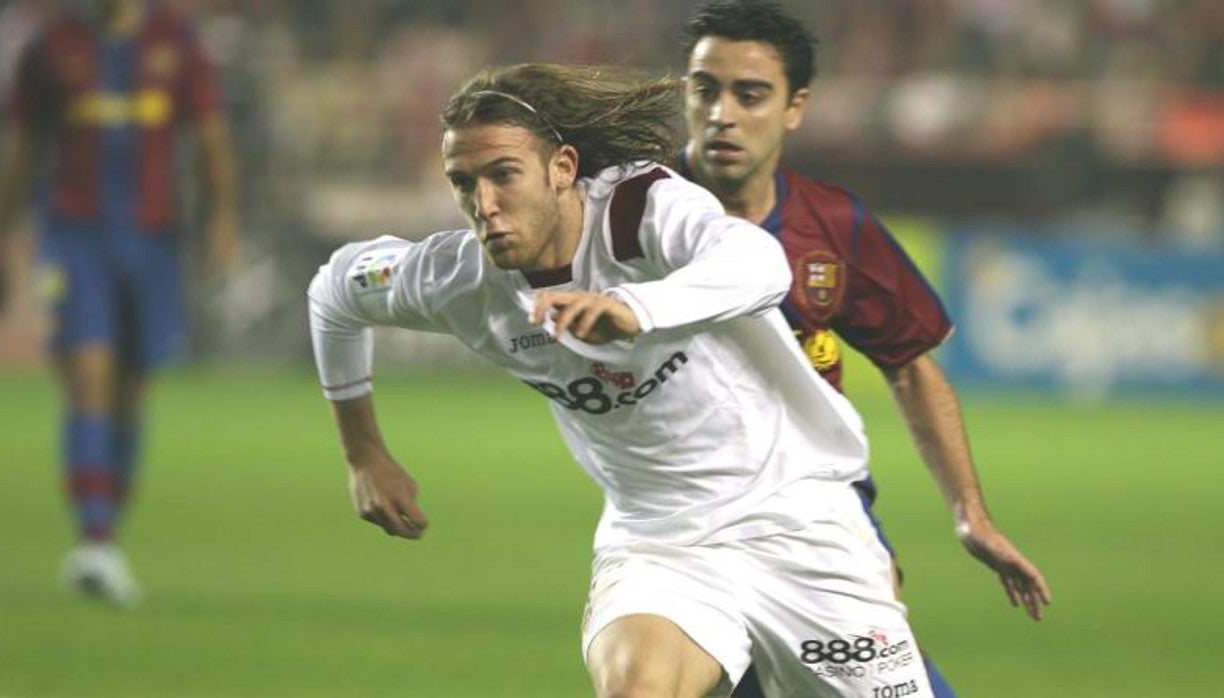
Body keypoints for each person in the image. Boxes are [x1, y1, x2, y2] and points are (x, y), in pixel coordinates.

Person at [309, 62, 939, 697]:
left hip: (795, 514)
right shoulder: (457, 280)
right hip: (661, 540)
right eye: (463, 182)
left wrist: (637, 308)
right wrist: (363, 451)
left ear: (561, 168)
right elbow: (334, 290)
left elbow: (761, 264)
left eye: (503, 174)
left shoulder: (640, 208)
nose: (485, 204)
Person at [677, 1, 1053, 694]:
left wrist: (970, 513)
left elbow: (909, 366)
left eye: (750, 94)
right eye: (705, 90)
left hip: (818, 512)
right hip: (684, 523)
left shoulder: (834, 226)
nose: (722, 113)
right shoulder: (626, 214)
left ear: (795, 108)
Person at [0, 0, 239, 607]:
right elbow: (20, 146)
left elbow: (209, 139)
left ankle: (105, 538)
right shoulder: (50, 46)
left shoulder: (179, 43)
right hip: (76, 235)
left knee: (132, 389)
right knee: (87, 373)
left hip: (154, 239)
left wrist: (221, 219)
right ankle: (93, 535)